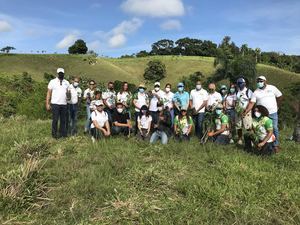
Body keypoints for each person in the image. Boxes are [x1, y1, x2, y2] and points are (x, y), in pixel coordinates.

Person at [244, 76, 282, 152]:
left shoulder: (272, 88)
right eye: (258, 81)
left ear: (265, 81)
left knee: (274, 128)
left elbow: (280, 96)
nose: (259, 83)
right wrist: (246, 111)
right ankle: (261, 143)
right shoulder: (256, 92)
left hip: (273, 112)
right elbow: (251, 103)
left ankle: (275, 145)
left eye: (261, 81)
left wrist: (278, 106)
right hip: (262, 114)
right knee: (261, 129)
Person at [46, 68, 70, 139]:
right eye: (59, 73)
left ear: (64, 74)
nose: (61, 74)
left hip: (64, 104)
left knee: (63, 120)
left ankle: (62, 135)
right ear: (57, 73)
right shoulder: (52, 82)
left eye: (62, 73)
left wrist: (69, 97)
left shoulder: (66, 82)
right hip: (55, 104)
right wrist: (47, 103)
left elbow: (68, 92)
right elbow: (49, 93)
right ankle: (54, 135)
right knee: (55, 120)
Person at [235, 78, 253, 145]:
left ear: (244, 83)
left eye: (240, 83)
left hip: (246, 111)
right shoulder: (237, 91)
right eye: (238, 83)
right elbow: (236, 101)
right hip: (238, 112)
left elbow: (251, 101)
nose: (239, 85)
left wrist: (245, 110)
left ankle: (251, 140)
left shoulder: (248, 91)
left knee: (248, 126)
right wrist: (237, 108)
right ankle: (240, 139)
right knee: (238, 126)